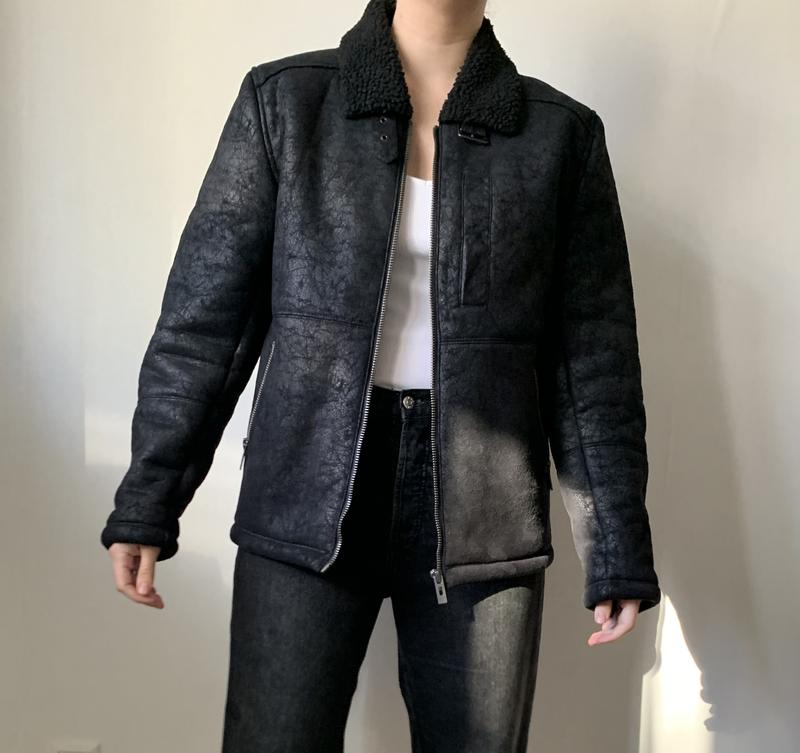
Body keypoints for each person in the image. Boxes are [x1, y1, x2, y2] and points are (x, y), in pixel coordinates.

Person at [101, 0, 662, 750]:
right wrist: (149, 497)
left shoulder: (561, 134)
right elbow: (207, 323)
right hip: (304, 486)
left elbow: (593, 362)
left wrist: (617, 545)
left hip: (484, 510)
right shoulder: (288, 101)